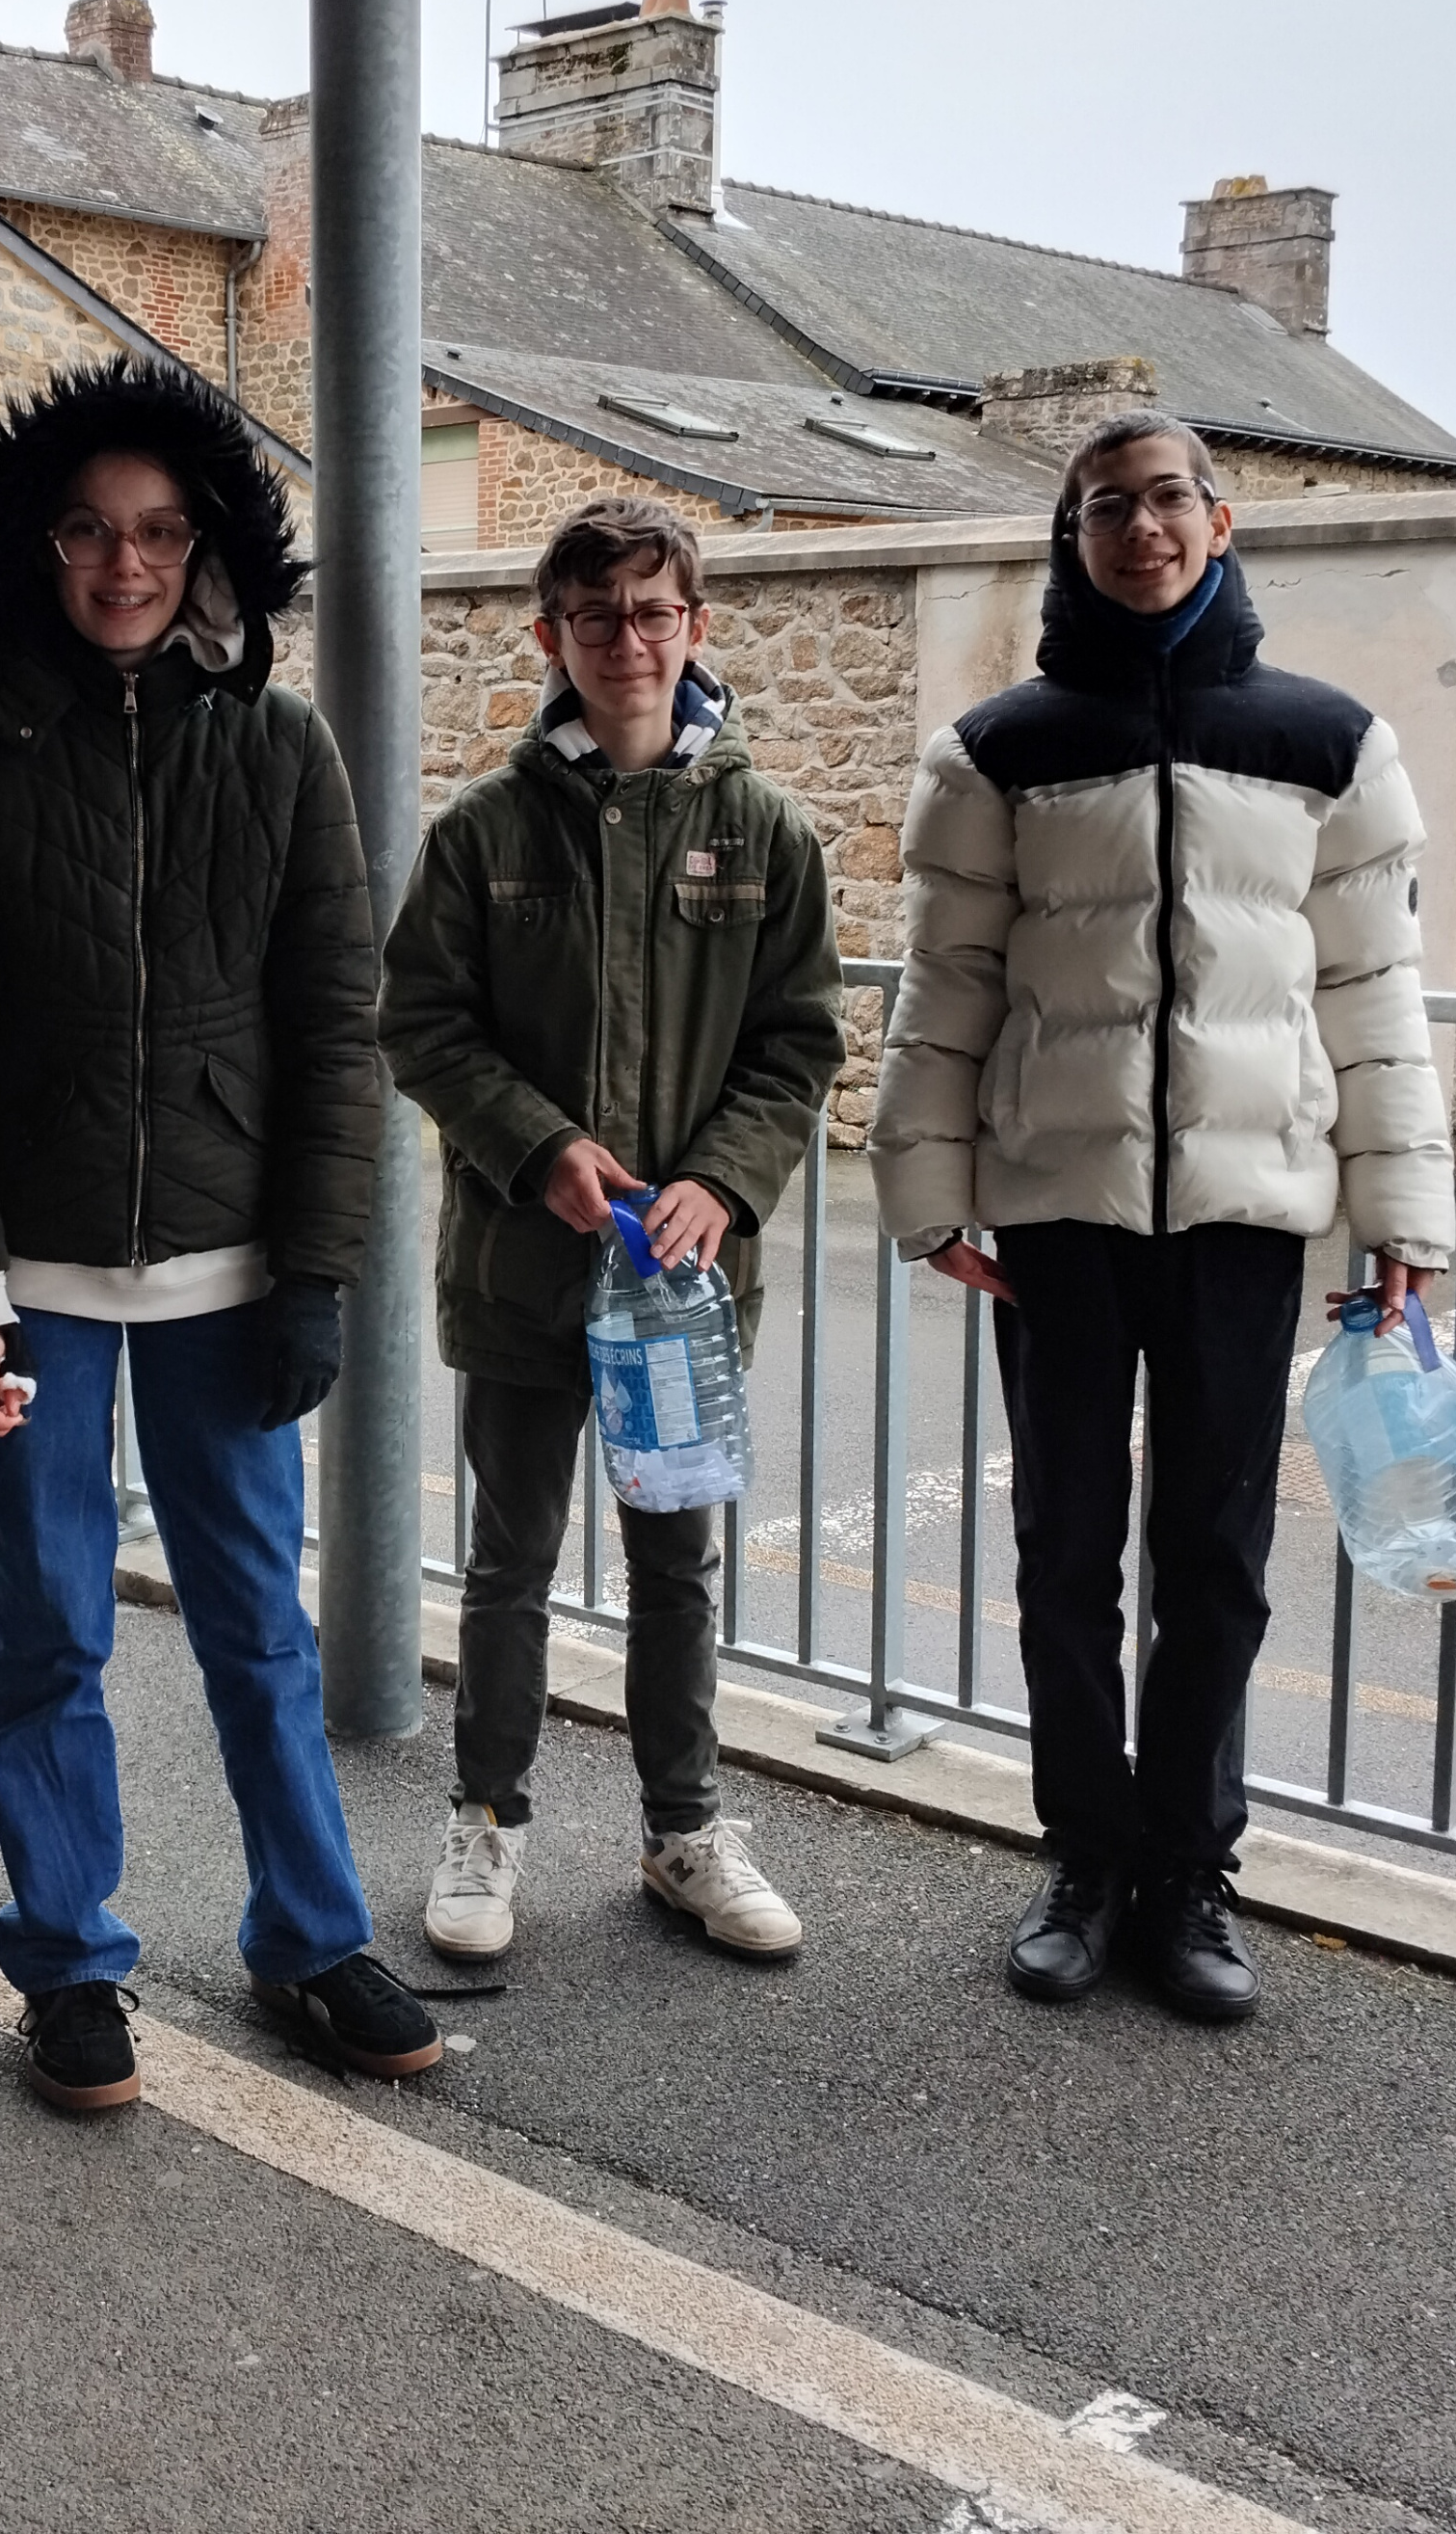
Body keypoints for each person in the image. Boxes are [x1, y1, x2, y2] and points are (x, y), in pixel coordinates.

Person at [0, 355, 440, 2109]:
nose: (124, 564)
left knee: (258, 1628)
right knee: (51, 1631)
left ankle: (312, 1938)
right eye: (88, 532)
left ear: (209, 549)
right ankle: (67, 1962)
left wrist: (317, 1273)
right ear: (36, 548)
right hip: (37, 1280)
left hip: (230, 1273)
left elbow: (335, 1027)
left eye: (158, 532)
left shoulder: (280, 745)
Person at [869, 413, 1453, 2022]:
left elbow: (1375, 999)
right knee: (1064, 1552)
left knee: (1215, 1558)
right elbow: (946, 993)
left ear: (1220, 518)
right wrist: (928, 1196)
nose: (1143, 528)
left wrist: (1403, 1211)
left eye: (1169, 499)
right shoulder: (999, 750)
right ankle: (1086, 1858)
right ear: (1073, 537)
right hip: (1058, 1213)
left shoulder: (1329, 742)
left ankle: (1190, 1871)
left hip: (1243, 1219)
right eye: (1108, 506)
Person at [379, 499, 843, 1962]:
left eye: (652, 614)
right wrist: (540, 1148)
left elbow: (800, 1042)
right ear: (552, 637)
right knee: (509, 1564)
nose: (627, 642)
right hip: (523, 1272)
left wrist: (724, 1180)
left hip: (683, 1290)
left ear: (695, 627)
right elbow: (421, 1024)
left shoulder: (765, 832)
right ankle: (486, 1823)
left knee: (676, 1572)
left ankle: (684, 1832)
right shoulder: (484, 831)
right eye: (596, 618)